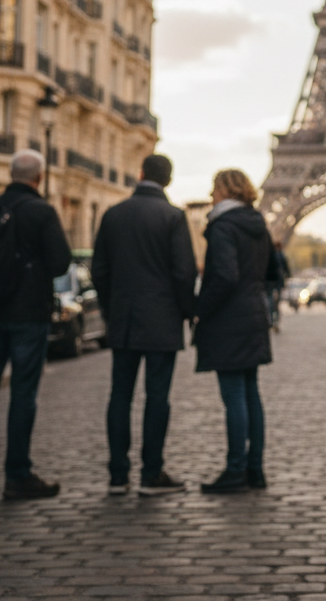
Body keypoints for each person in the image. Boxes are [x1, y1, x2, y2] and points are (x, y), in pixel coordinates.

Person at [0, 150, 72, 500]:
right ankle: (17, 474)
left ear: (11, 174)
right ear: (38, 177)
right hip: (28, 315)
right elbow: (59, 263)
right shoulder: (41, 212)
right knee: (23, 395)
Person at [92, 154, 198, 495]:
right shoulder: (173, 217)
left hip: (123, 320)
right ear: (168, 180)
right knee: (157, 398)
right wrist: (185, 312)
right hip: (162, 321)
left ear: (140, 174)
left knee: (119, 396)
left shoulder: (113, 215)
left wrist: (112, 310)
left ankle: (118, 475)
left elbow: (99, 271)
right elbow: (185, 273)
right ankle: (152, 473)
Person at [193, 169, 272, 493]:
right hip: (253, 315)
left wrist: (200, 308)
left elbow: (224, 276)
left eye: (214, 189)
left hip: (229, 321)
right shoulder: (258, 224)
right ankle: (255, 470)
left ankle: (235, 470)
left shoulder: (223, 225)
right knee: (251, 395)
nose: (212, 195)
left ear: (225, 191)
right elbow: (272, 271)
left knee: (235, 398)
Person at [266, 241, 290, 333]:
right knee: (276, 302)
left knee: (270, 301)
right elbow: (286, 269)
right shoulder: (281, 256)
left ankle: (272, 319)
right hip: (277, 282)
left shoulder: (268, 255)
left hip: (269, 283)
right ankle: (276, 319)